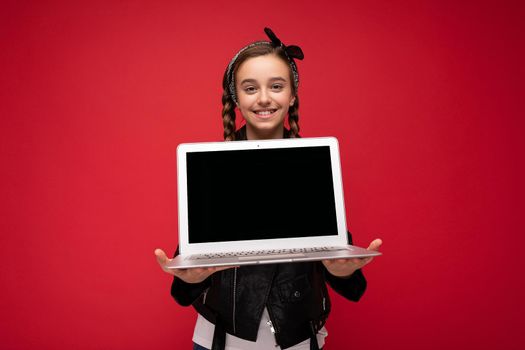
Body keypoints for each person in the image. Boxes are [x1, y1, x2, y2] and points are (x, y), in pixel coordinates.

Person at [155, 28, 382, 350]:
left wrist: (342, 271)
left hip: (299, 340)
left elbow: (353, 288)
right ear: (236, 97)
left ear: (291, 95)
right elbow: (183, 290)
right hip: (218, 340)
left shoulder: (313, 165)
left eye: (276, 86)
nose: (263, 98)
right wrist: (189, 277)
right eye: (250, 88)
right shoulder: (212, 168)